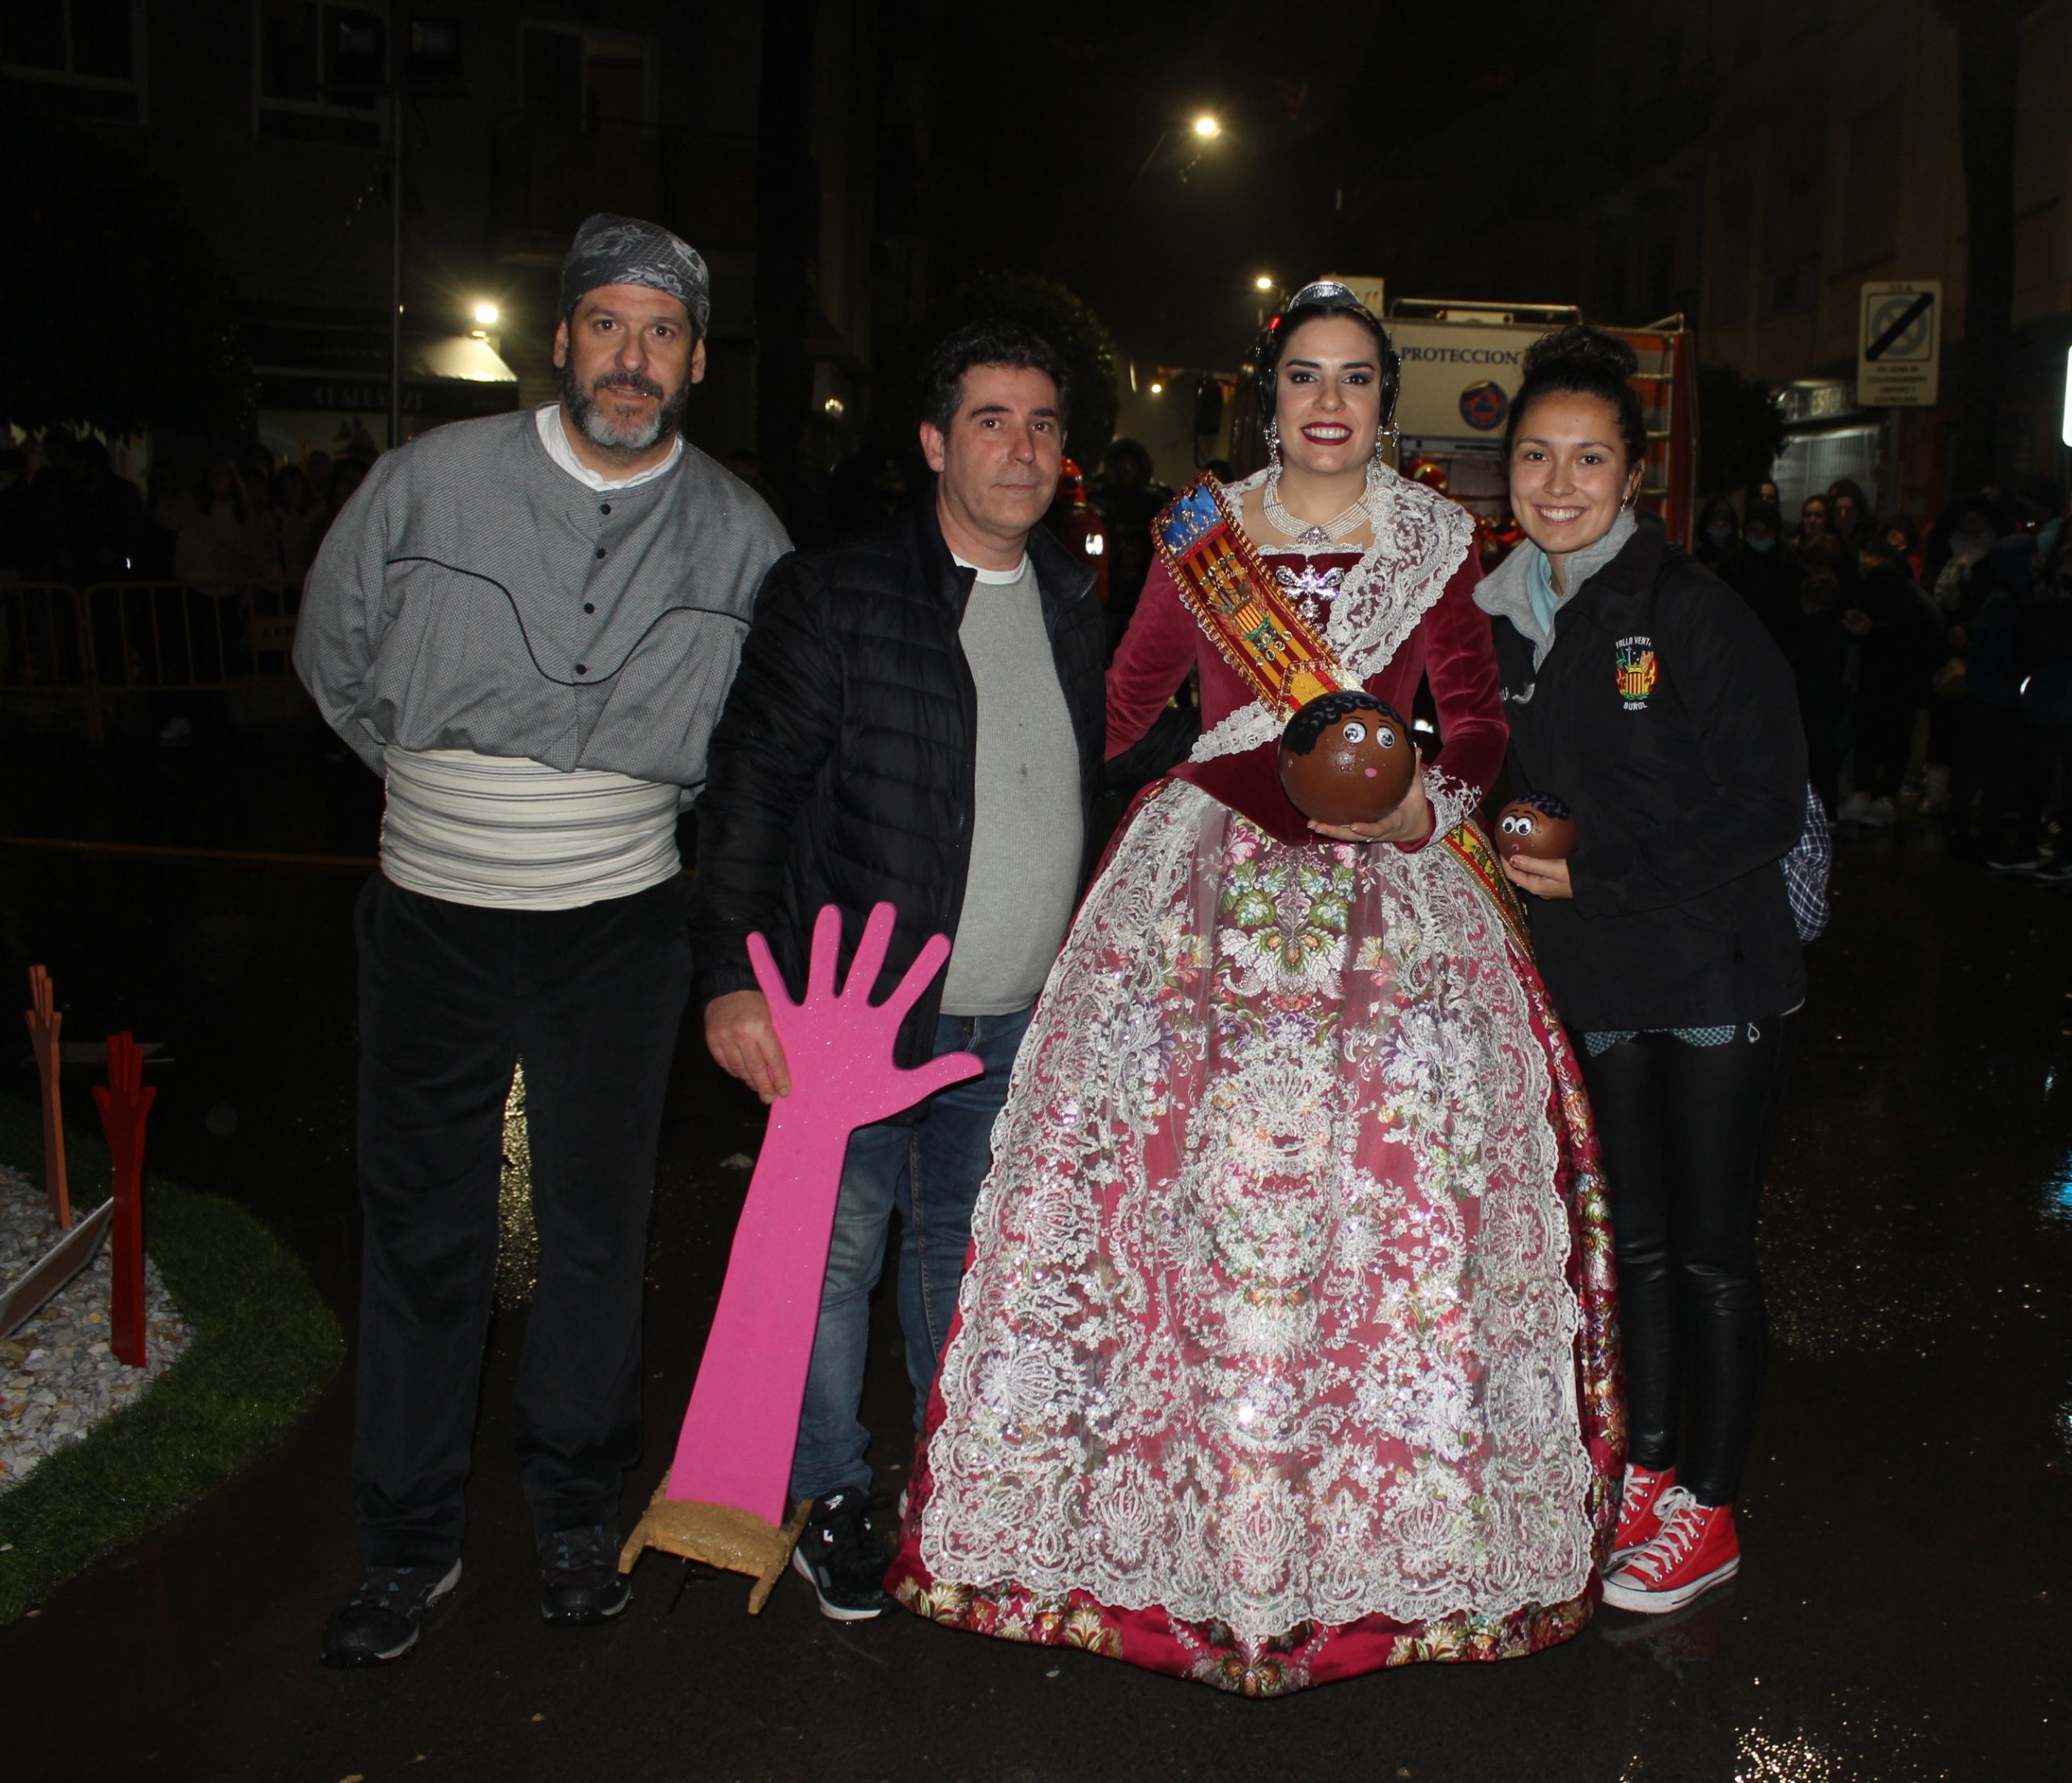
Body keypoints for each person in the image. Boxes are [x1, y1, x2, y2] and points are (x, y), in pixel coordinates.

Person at [887, 282, 1620, 1692]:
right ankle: (1173, 1525)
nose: (1328, 402)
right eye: (1303, 377)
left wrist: (1421, 808)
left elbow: (1470, 718)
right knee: (1190, 1206)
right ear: (1266, 396)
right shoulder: (1200, 538)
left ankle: (1380, 1534)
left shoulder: (1435, 540)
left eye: (1355, 378)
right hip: (1204, 890)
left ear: (1385, 401)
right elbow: (1121, 701)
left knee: (1390, 1202)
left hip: (1390, 885)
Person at [294, 212, 789, 1666]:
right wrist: (449, 794)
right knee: (422, 1237)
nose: (632, 358)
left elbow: (750, 748)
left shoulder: (745, 538)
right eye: (607, 325)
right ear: (562, 339)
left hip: (616, 935)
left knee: (593, 1231)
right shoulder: (424, 485)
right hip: (431, 925)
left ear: (696, 361)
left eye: (662, 333)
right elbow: (334, 661)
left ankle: (576, 1512)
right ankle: (406, 1543)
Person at [692, 320, 1106, 1621]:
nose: (1020, 450)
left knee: (967, 1255)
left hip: (1012, 1018)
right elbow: (749, 790)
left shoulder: (1073, 599)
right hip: (851, 1014)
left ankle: (951, 1476)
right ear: (933, 442)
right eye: (990, 420)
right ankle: (832, 1492)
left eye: (1042, 424)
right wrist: (731, 975)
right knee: (831, 1257)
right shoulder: (837, 592)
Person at [1480, 325, 1806, 1615]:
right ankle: (1652, 1469)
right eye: (1537, 456)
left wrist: (1601, 876)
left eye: (1590, 459)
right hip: (1599, 981)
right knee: (1641, 1247)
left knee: (1713, 1251)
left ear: (1632, 474)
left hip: (1715, 978)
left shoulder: (1687, 610)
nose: (1559, 484)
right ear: (1507, 468)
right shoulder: (1504, 619)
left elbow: (1765, 802)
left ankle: (1710, 1510)